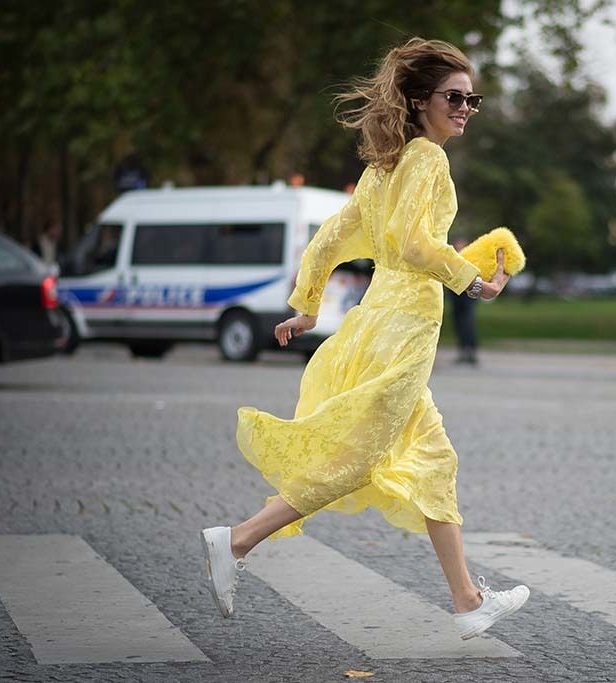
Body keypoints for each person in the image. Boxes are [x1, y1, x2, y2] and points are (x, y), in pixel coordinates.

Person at [199, 37, 529, 641]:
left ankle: (468, 601)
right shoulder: (426, 159)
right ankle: (238, 539)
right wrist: (471, 280)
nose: (465, 108)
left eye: (472, 99)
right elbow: (408, 243)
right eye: (454, 97)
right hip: (403, 330)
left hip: (378, 321)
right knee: (357, 459)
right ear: (419, 100)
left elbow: (330, 238)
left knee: (434, 461)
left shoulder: (383, 167)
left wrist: (304, 305)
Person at [448, 236, 480, 365]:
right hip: (456, 297)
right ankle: (463, 350)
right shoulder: (453, 261)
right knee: (458, 324)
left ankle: (471, 351)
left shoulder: (470, 260)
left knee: (468, 323)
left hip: (468, 298)